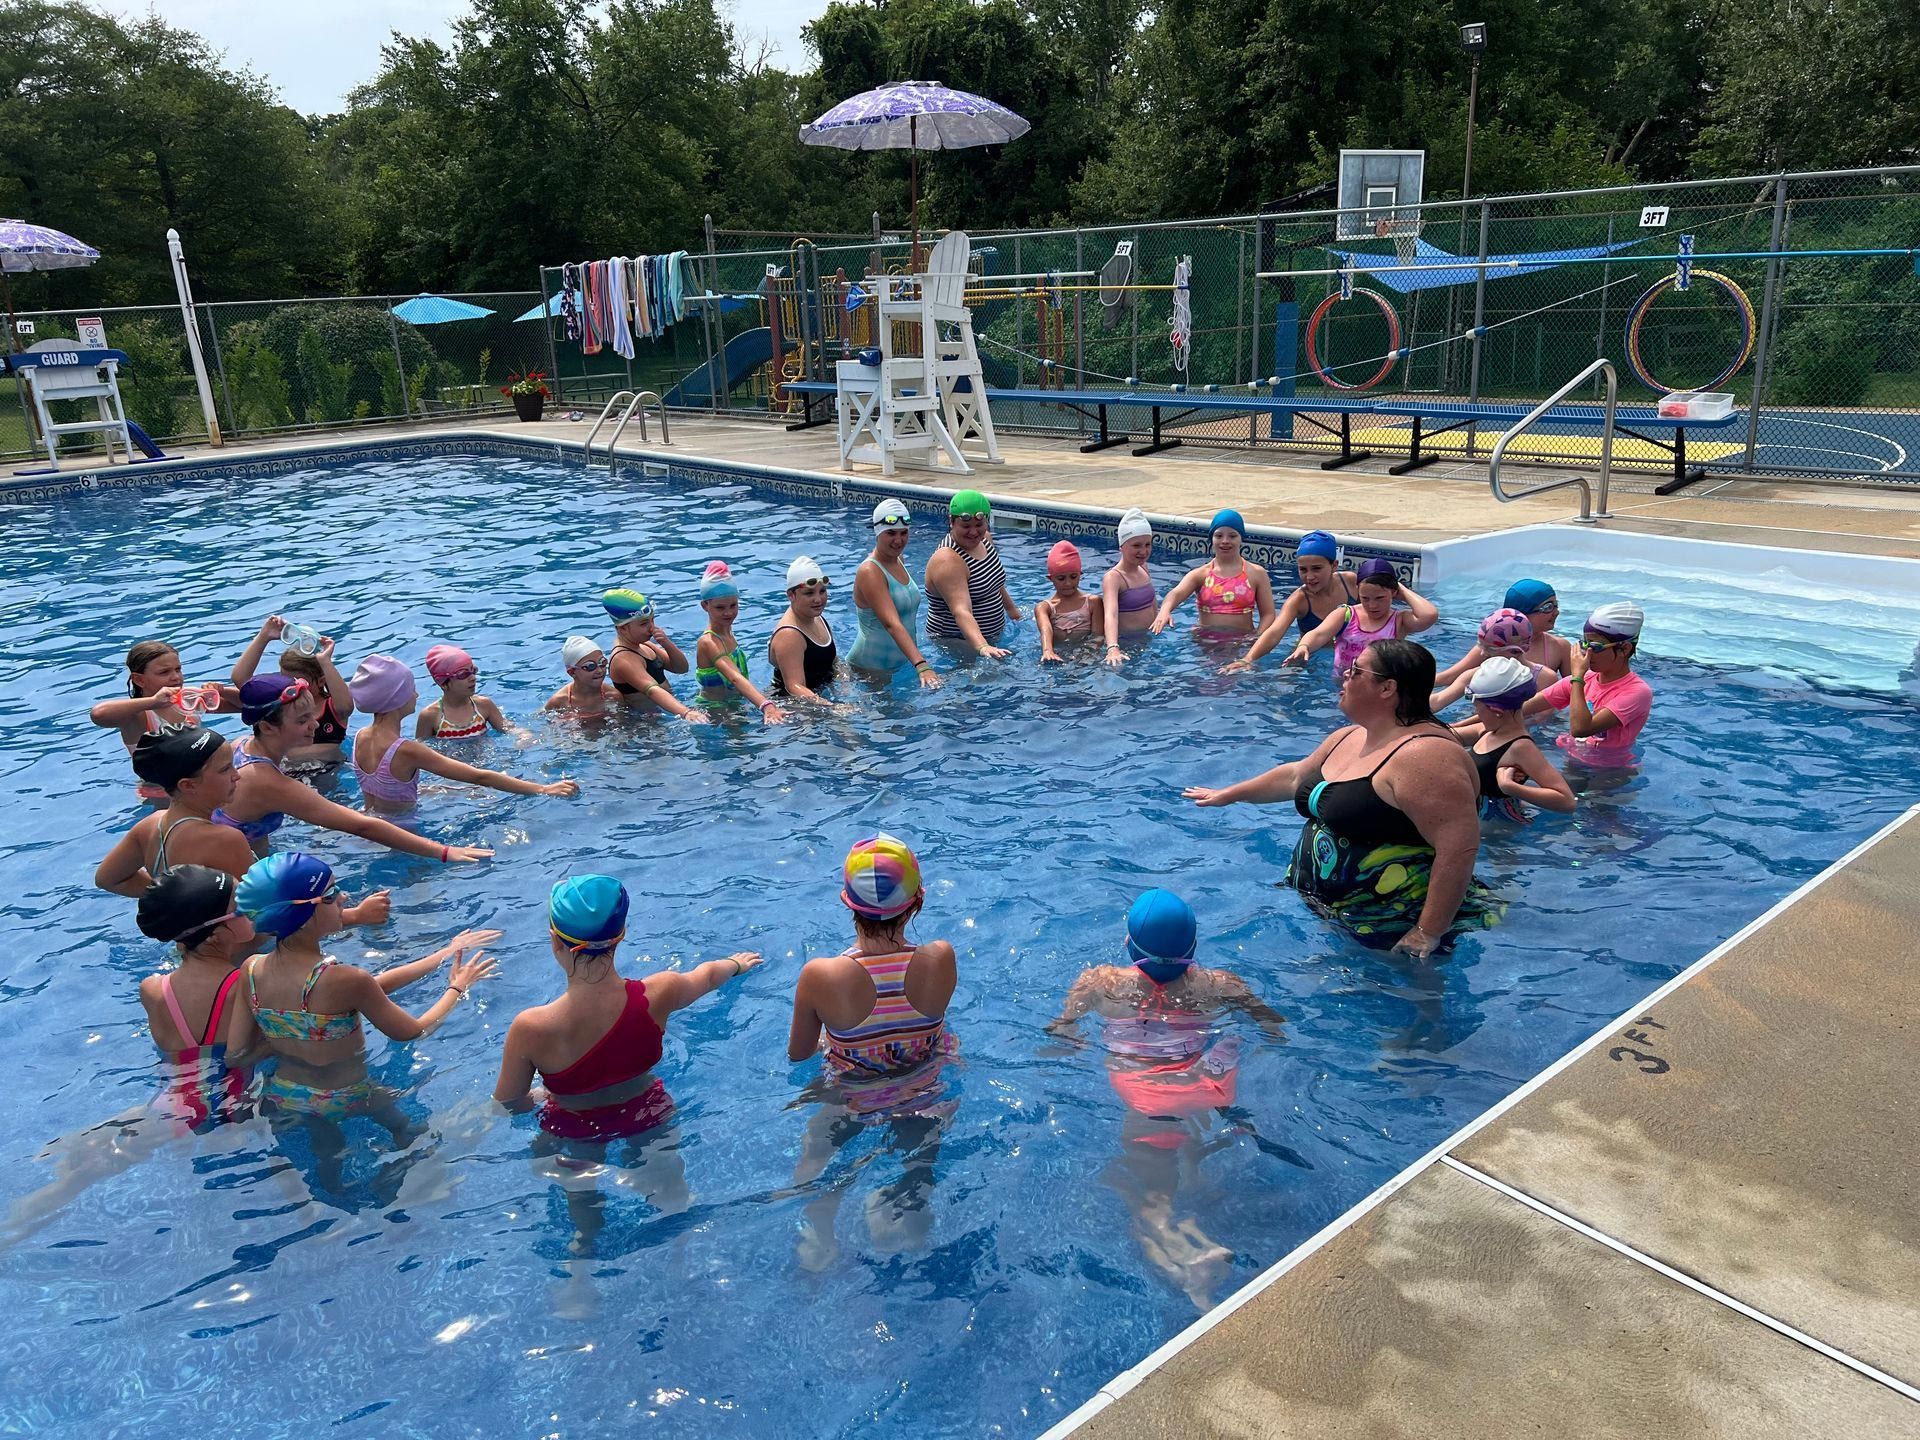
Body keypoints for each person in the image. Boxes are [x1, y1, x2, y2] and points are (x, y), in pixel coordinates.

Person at [1048, 890, 1288, 1309]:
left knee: (1150, 1192)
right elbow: (1274, 1027)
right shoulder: (1220, 985)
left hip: (1145, 1093)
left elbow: (1061, 1030)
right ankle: (1196, 1187)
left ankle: (1185, 1260)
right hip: (1206, 1086)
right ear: (1193, 948)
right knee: (1187, 1144)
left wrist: (1072, 1043)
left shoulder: (1100, 983)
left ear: (1128, 943)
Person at [1185, 638, 1494, 954]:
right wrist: (1230, 794)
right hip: (1343, 914)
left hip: (1395, 925)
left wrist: (1427, 932)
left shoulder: (1426, 756)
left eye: (1356, 670)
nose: (1345, 674)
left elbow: (1458, 848)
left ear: (1387, 688)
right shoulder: (1351, 736)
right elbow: (1295, 777)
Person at [226, 852, 499, 1130]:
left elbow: (236, 1055)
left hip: (284, 1094)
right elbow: (413, 1031)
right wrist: (457, 986)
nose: (344, 897)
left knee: (326, 1161)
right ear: (304, 917)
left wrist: (443, 954)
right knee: (413, 1133)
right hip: (348, 1096)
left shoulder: (250, 970)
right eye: (331, 894)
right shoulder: (344, 981)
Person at [787, 835, 958, 1268]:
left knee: (817, 1157)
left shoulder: (820, 975)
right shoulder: (940, 958)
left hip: (851, 1093)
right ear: (916, 902)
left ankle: (818, 1234)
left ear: (848, 904)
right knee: (919, 1169)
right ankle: (906, 1224)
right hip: (923, 1091)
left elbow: (799, 1053)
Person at [493, 875, 763, 1143]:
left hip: (571, 1129)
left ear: (554, 941)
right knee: (669, 1185)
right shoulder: (660, 992)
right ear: (621, 936)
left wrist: (548, 1093)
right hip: (649, 1114)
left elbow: (510, 1104)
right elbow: (707, 976)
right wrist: (735, 964)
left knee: (576, 1185)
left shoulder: (531, 1028)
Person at [94, 727, 390, 929]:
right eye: (225, 770)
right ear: (187, 785)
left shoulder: (149, 827)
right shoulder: (224, 839)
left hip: (191, 948)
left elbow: (108, 879)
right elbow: (273, 913)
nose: (238, 775)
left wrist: (178, 903)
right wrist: (354, 916)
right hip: (238, 960)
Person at [212, 674, 493, 863]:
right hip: (234, 882)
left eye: (313, 715)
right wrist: (443, 851)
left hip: (244, 863)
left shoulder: (240, 745)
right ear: (267, 727)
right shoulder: (266, 781)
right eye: (301, 720)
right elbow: (361, 826)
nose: (314, 725)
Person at [348, 655, 579, 812]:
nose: (417, 695)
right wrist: (543, 788)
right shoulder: (407, 750)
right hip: (402, 828)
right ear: (396, 699)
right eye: (411, 690)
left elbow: (389, 790)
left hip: (370, 816)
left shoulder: (360, 737)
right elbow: (481, 776)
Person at [133, 865, 256, 1126]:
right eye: (242, 907)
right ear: (214, 935)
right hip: (236, 1109)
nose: (252, 909)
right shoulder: (248, 985)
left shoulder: (152, 989)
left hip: (171, 1108)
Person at [88, 639, 239, 801]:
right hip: (161, 791)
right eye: (164, 672)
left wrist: (223, 691)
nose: (175, 677)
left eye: (178, 669)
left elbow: (246, 706)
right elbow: (98, 714)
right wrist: (153, 702)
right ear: (139, 680)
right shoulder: (137, 715)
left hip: (196, 781)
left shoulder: (187, 700)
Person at [1519, 602, 1653, 766]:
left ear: (1624, 648)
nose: (1586, 652)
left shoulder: (1638, 692)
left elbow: (1580, 729)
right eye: (1584, 643)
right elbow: (1520, 708)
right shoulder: (1588, 679)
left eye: (1595, 647)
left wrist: (1577, 678)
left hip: (1609, 773)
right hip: (1574, 759)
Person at [1455, 657, 1577, 820]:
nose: (1476, 712)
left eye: (1477, 707)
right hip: (1475, 820)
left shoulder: (1521, 747)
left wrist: (1511, 787)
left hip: (1500, 831)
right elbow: (1443, 734)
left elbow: (1567, 802)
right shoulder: (1486, 731)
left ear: (1496, 710)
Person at [1225, 530, 1357, 673]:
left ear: (1334, 565)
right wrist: (1247, 659)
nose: (1310, 576)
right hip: (1308, 656)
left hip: (1349, 654)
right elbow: (1274, 632)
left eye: (1317, 568)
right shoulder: (1299, 599)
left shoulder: (1350, 583)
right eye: (1303, 570)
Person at [231, 616, 356, 766]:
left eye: (300, 681)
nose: (292, 685)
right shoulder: (282, 700)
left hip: (325, 777)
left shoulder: (333, 707)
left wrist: (325, 661)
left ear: (321, 681)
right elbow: (242, 682)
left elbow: (347, 706)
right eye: (285, 679)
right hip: (282, 772)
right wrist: (264, 636)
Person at [1284, 559, 1438, 673]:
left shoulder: (1399, 621)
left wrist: (1402, 590)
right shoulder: (1346, 614)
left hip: (1377, 688)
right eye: (1365, 598)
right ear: (1358, 591)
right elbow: (1318, 634)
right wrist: (1304, 646)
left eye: (1380, 598)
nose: (1372, 605)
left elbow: (1429, 615)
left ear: (1393, 593)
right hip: (1342, 686)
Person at [847, 499, 941, 687]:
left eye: (903, 533)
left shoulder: (899, 559)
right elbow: (891, 623)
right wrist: (922, 665)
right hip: (870, 670)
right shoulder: (870, 571)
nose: (898, 540)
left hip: (902, 663)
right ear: (877, 532)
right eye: (890, 533)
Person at [1150, 509, 1277, 640]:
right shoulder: (1200, 575)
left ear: (1241, 538)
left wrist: (1257, 638)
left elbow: (1268, 614)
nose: (1225, 541)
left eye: (1232, 536)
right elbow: (1175, 593)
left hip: (1242, 643)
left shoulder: (1256, 573)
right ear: (1211, 538)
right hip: (1206, 643)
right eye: (1219, 536)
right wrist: (1165, 610)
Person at [925, 490, 1019, 659]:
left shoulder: (985, 540)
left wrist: (1013, 612)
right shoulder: (948, 560)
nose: (974, 532)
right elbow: (961, 610)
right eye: (966, 526)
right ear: (951, 522)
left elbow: (995, 583)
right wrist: (982, 646)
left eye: (979, 525)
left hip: (990, 638)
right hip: (956, 641)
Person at [693, 561, 786, 720]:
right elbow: (734, 677)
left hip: (737, 703)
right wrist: (766, 705)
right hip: (716, 710)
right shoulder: (708, 642)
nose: (728, 613)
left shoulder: (728, 632)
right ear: (705, 606)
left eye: (733, 605)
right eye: (720, 608)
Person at [605, 587, 705, 722]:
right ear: (623, 628)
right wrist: (686, 712)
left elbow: (681, 668)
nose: (652, 627)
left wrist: (667, 643)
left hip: (663, 711)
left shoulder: (644, 645)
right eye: (644, 623)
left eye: (652, 620)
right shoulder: (623, 659)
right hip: (642, 722)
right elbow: (652, 690)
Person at [1430, 609, 1559, 711]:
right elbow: (1437, 701)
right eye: (1481, 646)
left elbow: (1539, 718)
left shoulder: (1545, 679)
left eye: (1489, 649)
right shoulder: (1475, 675)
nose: (1482, 653)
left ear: (1516, 651)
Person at [768, 555, 839, 702]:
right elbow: (794, 687)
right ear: (791, 595)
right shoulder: (789, 635)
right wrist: (832, 707)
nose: (818, 599)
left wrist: (845, 682)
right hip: (790, 706)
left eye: (822, 591)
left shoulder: (818, 618)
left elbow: (833, 662)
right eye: (809, 593)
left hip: (817, 696)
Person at [416, 644, 515, 740]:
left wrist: (524, 737)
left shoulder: (484, 705)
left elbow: (510, 729)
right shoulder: (430, 715)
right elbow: (418, 752)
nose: (473, 678)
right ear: (444, 684)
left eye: (473, 670)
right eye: (463, 674)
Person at [1102, 507, 1159, 665]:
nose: (1143, 551)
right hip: (1126, 644)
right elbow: (1110, 614)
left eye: (1147, 544)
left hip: (1148, 639)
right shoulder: (1114, 577)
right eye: (1136, 545)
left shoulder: (1143, 567)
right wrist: (1113, 648)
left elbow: (1151, 601)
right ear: (1122, 546)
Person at [1036, 540, 1104, 663]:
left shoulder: (1093, 602)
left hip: (1085, 655)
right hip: (1057, 654)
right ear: (1051, 579)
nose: (1068, 583)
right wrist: (1047, 651)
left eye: (1073, 577)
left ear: (1080, 574)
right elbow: (1045, 629)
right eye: (1061, 578)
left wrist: (1086, 657)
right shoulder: (1045, 608)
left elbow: (1097, 637)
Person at [1499, 578, 1574, 675]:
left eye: (1556, 605)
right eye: (1548, 607)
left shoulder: (1560, 647)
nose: (1557, 612)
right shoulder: (1493, 645)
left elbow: (1574, 687)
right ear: (1522, 613)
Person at [545, 636, 620, 714]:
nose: (599, 670)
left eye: (602, 663)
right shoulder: (559, 701)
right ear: (572, 672)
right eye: (590, 666)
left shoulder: (613, 696)